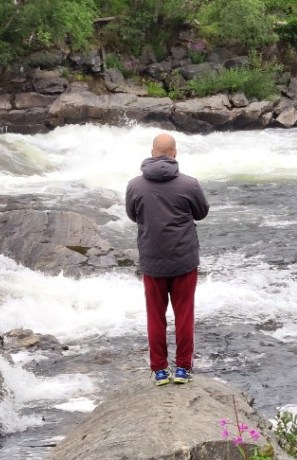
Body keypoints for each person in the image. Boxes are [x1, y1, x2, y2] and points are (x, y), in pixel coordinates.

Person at [125, 133, 210, 386]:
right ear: (174, 153)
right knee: (184, 315)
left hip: (152, 260)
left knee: (155, 316)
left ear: (152, 152)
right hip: (183, 260)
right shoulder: (189, 184)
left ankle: (160, 370)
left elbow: (132, 215)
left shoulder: (135, 185)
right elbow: (201, 213)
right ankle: (183, 368)